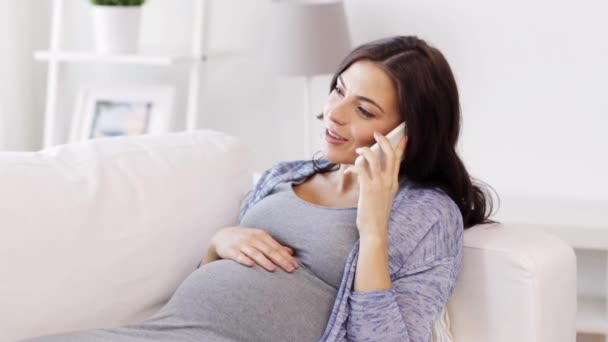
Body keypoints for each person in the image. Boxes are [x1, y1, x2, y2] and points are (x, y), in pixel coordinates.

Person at [22, 35, 496, 342]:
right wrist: (217, 244)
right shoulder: (284, 174)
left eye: (365, 110)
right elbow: (211, 287)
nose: (334, 113)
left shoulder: (425, 214)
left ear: (408, 133)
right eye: (338, 90)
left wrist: (372, 227)